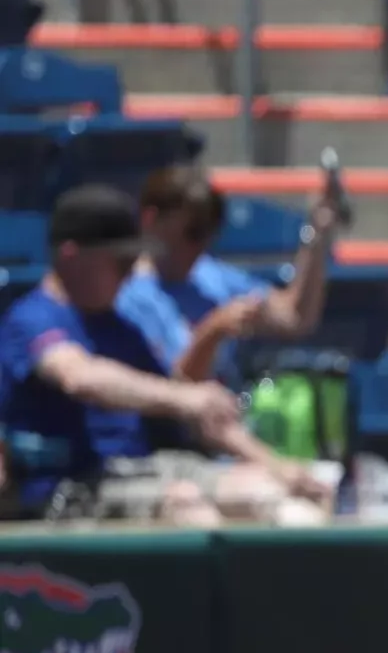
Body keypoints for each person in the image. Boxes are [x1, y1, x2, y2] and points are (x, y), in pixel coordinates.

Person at [0, 186, 332, 526]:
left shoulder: (120, 328)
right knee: (189, 506)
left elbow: (194, 412)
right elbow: (79, 377)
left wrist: (276, 466)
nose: (130, 273)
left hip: (145, 470)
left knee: (272, 496)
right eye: (121, 261)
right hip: (70, 487)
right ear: (71, 257)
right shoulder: (31, 319)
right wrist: (184, 396)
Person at [117, 164, 335, 386]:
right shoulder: (124, 295)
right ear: (151, 219)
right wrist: (214, 331)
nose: (202, 244)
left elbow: (295, 316)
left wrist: (316, 234)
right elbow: (170, 389)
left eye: (210, 231)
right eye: (194, 231)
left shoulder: (211, 276)